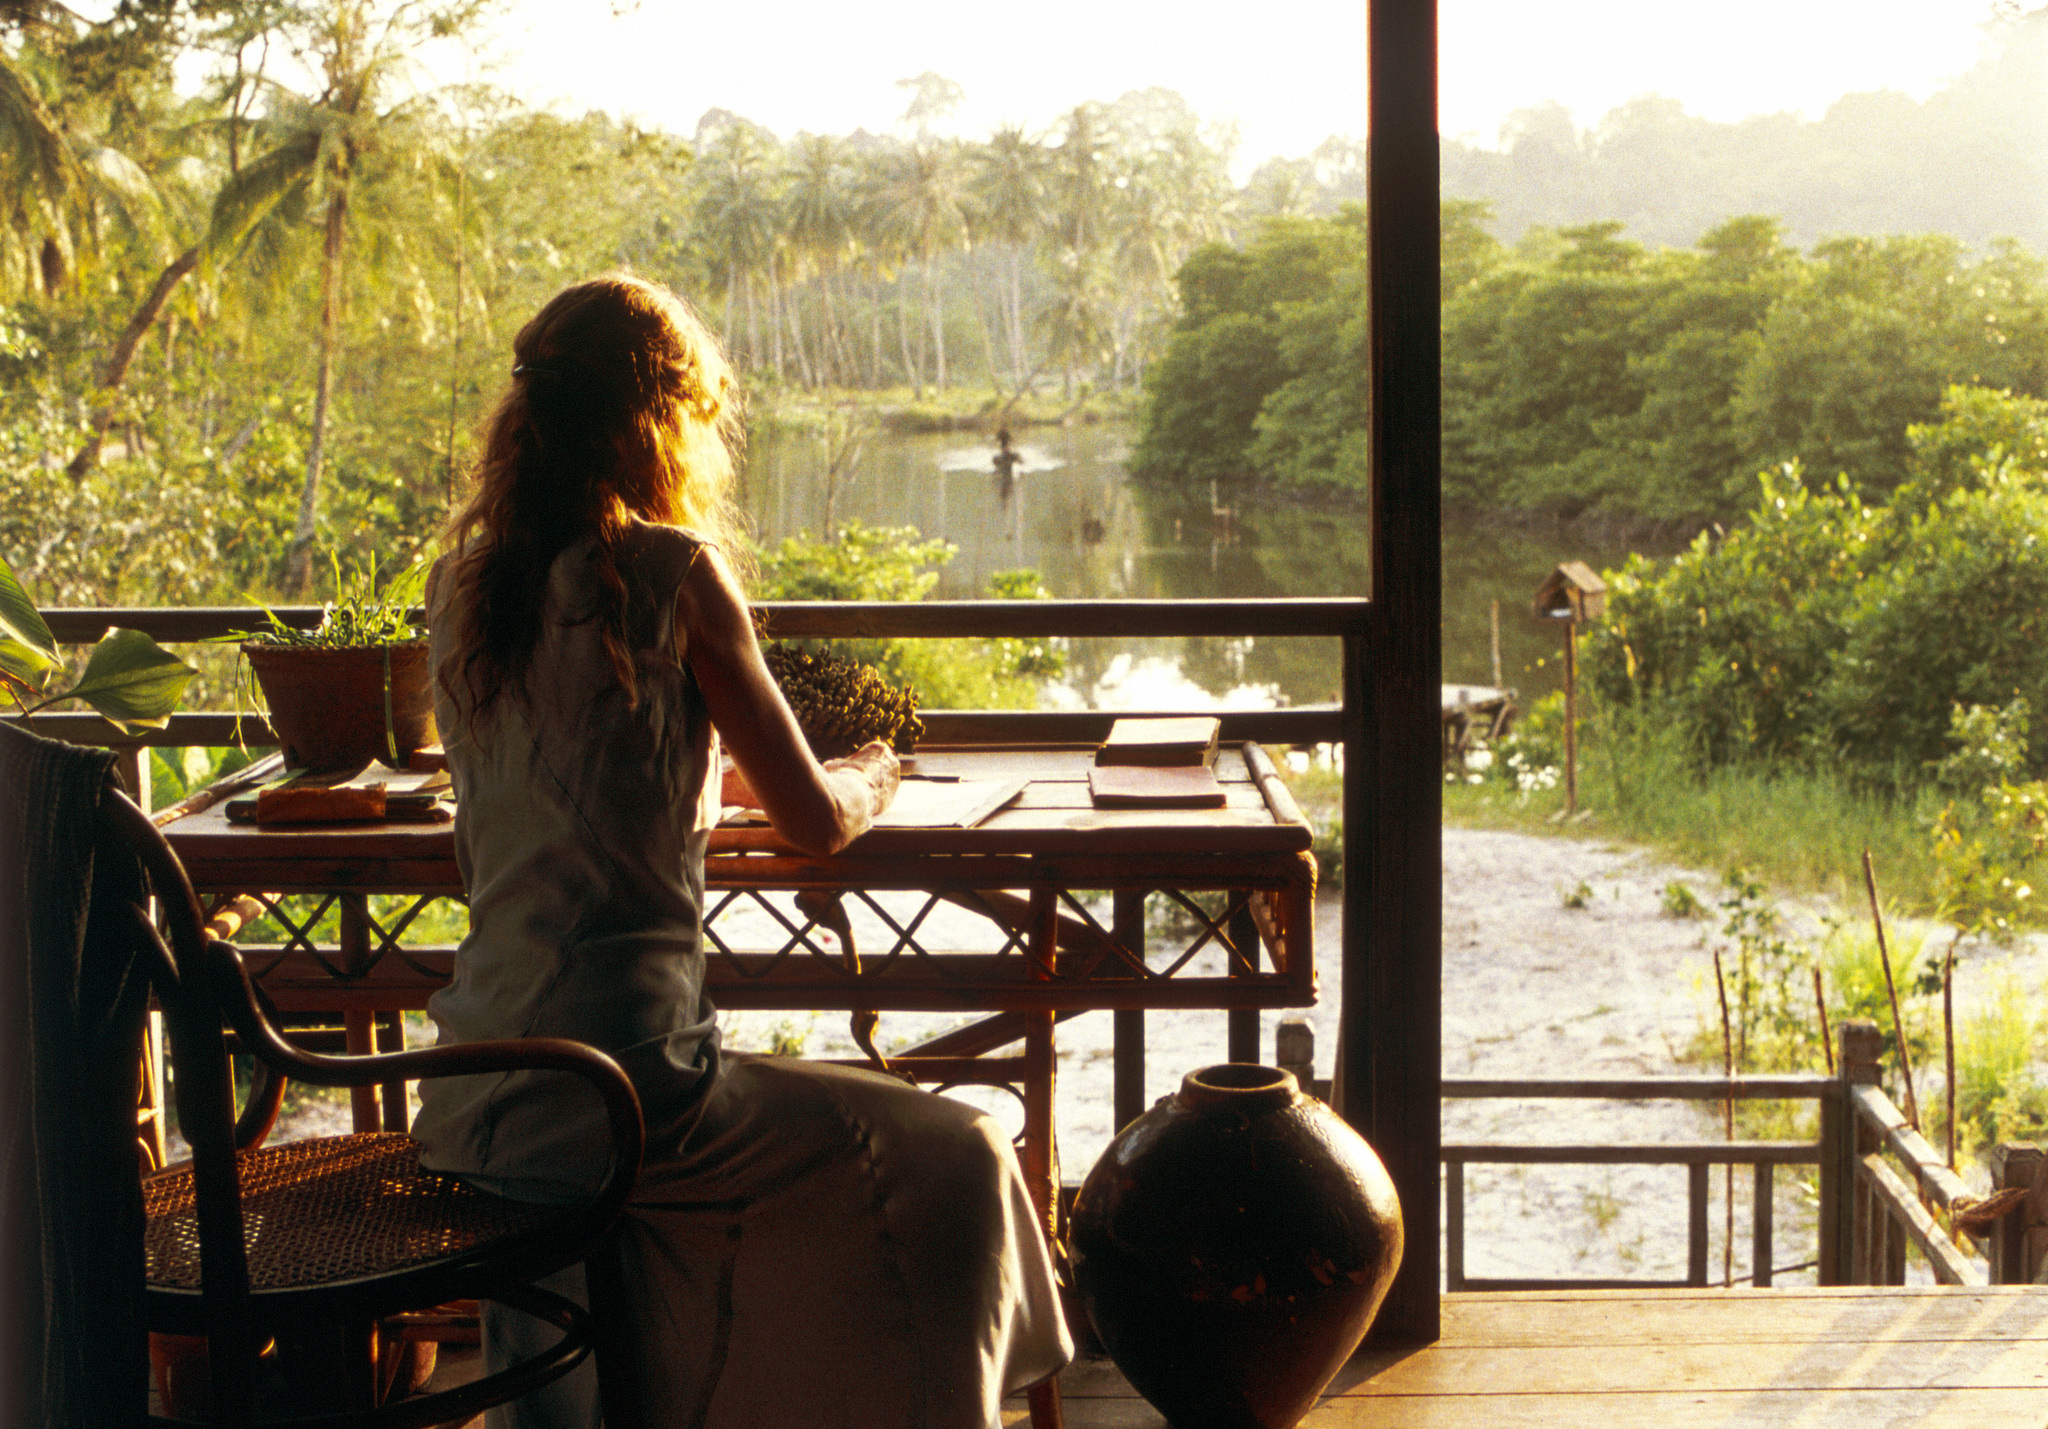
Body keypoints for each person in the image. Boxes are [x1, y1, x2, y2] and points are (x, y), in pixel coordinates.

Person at [413, 274, 1072, 1428]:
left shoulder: (461, 590)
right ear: (659, 420)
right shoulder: (671, 575)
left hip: (477, 1090)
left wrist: (691, 788)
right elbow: (815, 823)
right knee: (960, 1150)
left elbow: (564, 776)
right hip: (635, 1094)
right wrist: (872, 772)